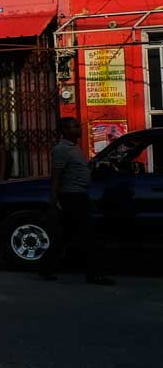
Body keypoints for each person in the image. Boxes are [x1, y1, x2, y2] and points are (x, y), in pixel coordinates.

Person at [42, 116, 113, 285]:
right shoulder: (62, 150)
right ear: (65, 131)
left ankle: (46, 268)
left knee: (64, 236)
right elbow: (56, 177)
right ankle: (94, 274)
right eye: (75, 127)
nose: (79, 129)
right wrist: (53, 203)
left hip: (78, 195)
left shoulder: (74, 147)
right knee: (90, 236)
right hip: (72, 197)